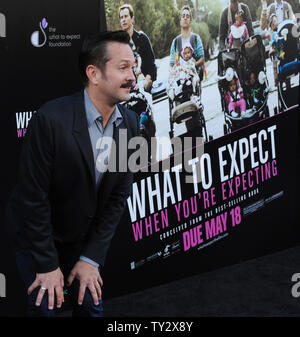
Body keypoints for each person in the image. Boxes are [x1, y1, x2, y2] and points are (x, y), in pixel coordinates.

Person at [6, 30, 140, 317]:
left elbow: (118, 197)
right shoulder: (50, 121)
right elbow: (32, 200)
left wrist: (91, 258)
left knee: (91, 307)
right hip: (38, 238)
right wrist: (47, 264)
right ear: (94, 73)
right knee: (46, 307)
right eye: (123, 68)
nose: (133, 76)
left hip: (82, 240)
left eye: (134, 66)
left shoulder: (130, 124)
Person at [169, 5, 205, 135]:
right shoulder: (176, 42)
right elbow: (172, 63)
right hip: (180, 78)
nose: (185, 18)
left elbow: (201, 59)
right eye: (182, 16)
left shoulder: (195, 38)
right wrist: (177, 69)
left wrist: (192, 65)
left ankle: (196, 131)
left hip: (191, 76)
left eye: (187, 16)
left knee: (193, 111)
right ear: (180, 20)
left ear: (190, 21)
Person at [119, 3, 157, 93]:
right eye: (121, 17)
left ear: (132, 18)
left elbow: (151, 64)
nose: (123, 20)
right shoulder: (120, 44)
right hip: (129, 90)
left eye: (126, 16)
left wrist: (147, 80)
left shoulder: (142, 38)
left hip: (144, 85)